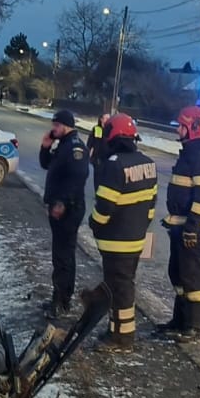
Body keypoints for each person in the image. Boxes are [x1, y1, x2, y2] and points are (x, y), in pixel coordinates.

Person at [88, 113, 157, 348]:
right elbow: (151, 205)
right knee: (123, 284)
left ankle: (122, 337)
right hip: (136, 239)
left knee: (119, 288)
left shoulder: (114, 164)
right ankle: (118, 330)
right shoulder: (148, 163)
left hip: (115, 241)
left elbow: (104, 206)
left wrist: (94, 223)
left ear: (113, 137)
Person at [158, 105, 200, 343]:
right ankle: (179, 321)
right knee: (178, 274)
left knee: (192, 277)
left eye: (182, 126)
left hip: (193, 228)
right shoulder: (190, 153)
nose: (178, 130)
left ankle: (193, 326)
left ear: (193, 127)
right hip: (180, 225)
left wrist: (192, 228)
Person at [37, 108, 88, 317]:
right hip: (62, 207)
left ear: (66, 126)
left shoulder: (75, 147)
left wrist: (62, 203)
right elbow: (46, 164)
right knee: (62, 255)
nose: (53, 129)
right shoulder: (63, 145)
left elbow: (78, 177)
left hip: (69, 209)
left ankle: (61, 302)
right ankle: (60, 298)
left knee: (63, 257)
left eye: (56, 125)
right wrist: (45, 146)